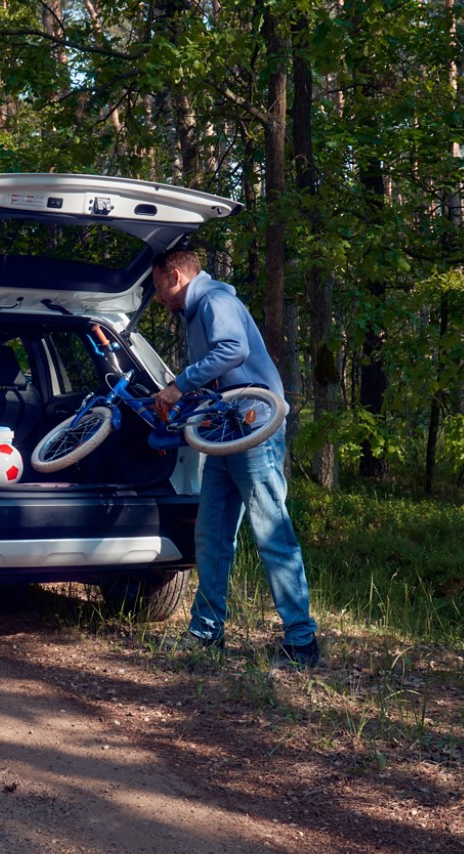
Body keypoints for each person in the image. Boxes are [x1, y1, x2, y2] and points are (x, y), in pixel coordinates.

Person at [151, 248, 319, 667]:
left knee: (272, 534)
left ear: (174, 276)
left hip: (254, 428)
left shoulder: (215, 301)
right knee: (211, 536)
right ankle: (206, 633)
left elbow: (232, 350)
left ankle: (301, 642)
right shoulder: (196, 310)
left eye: (158, 289)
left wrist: (179, 385)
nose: (159, 299)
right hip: (224, 431)